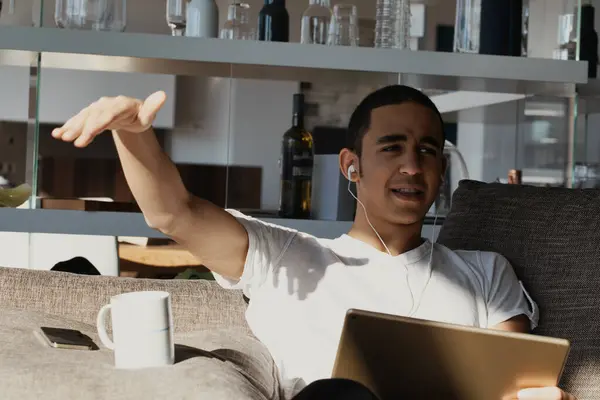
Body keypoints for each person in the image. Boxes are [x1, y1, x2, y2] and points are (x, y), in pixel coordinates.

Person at [52, 85, 576, 400]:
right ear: (352, 165)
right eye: (392, 147)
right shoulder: (287, 257)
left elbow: (515, 381)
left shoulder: (485, 273)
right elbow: (173, 212)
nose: (412, 167)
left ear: (441, 170)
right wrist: (133, 133)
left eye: (428, 151)